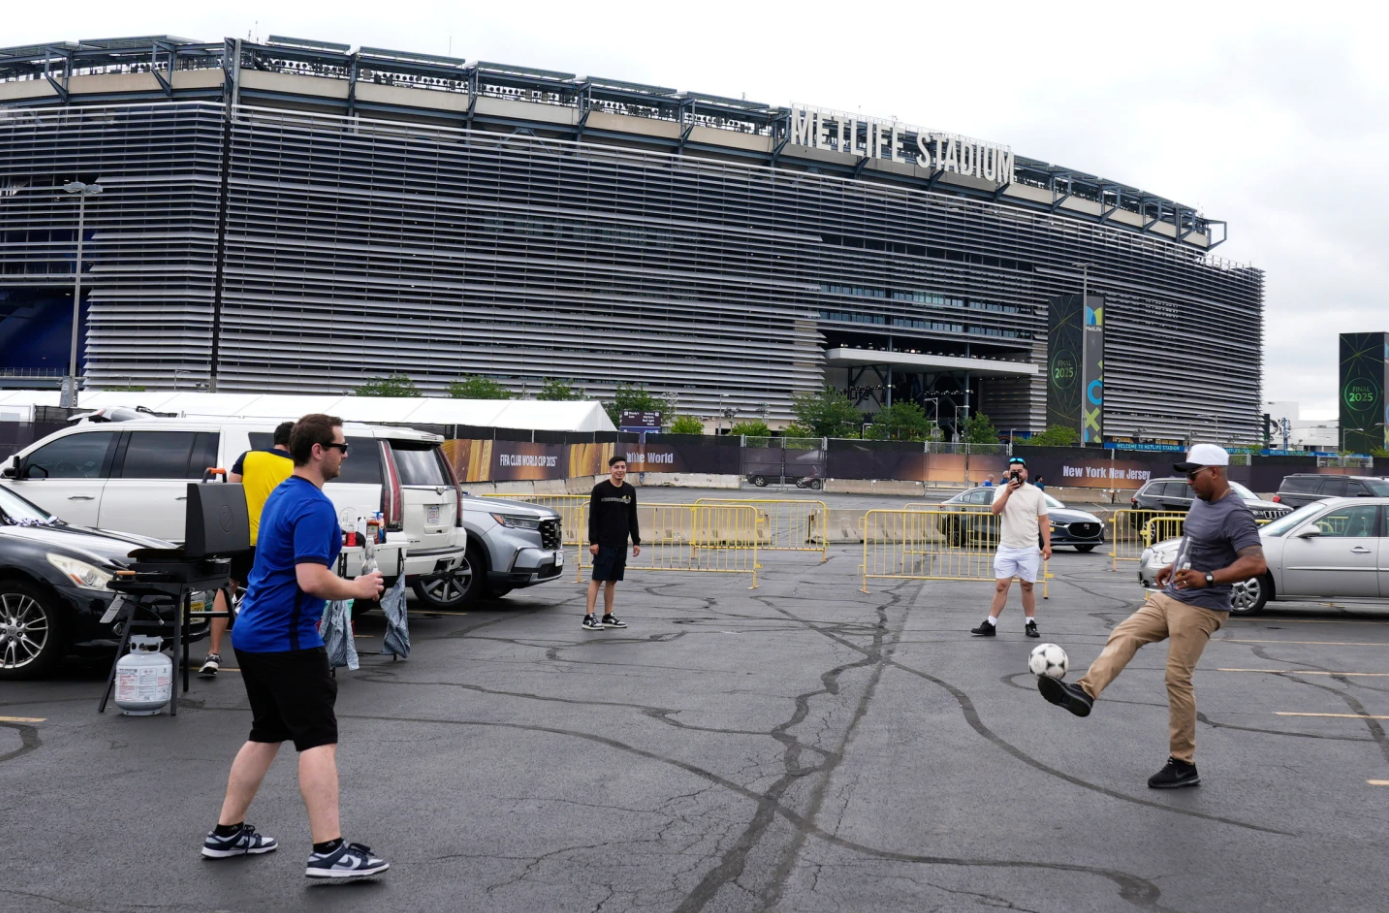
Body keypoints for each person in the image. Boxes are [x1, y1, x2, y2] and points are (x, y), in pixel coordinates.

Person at [203, 414, 390, 879]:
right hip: (285, 640)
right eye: (341, 447)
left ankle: (227, 833)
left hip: (253, 634)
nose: (346, 454)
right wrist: (360, 587)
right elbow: (311, 580)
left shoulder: (283, 494)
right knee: (318, 741)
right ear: (317, 451)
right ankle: (328, 851)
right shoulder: (312, 506)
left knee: (266, 733)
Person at [1037, 444, 1266, 789]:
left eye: (1193, 474)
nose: (1188, 481)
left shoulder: (1235, 512)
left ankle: (1183, 764)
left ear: (1215, 472)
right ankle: (1085, 692)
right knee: (1126, 633)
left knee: (1177, 678)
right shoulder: (1201, 504)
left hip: (1203, 605)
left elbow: (1255, 563)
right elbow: (1198, 546)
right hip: (1172, 594)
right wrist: (1176, 566)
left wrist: (1207, 578)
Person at [200, 421, 295, 677]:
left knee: (227, 586)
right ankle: (264, 655)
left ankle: (213, 653)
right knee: (269, 592)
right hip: (274, 541)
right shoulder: (297, 466)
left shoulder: (248, 457)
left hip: (242, 538)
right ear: (294, 441)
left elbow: (229, 493)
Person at [971, 456, 1050, 639]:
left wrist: (1047, 544)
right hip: (1007, 547)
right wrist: (1008, 492)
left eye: (1020, 471)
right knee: (1001, 585)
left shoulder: (1035, 492)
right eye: (1013, 471)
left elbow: (1044, 520)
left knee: (1027, 586)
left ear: (1026, 473)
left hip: (1029, 547)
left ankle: (1030, 622)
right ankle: (991, 623)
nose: (1017, 474)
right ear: (1008, 473)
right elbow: (995, 510)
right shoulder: (1001, 490)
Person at [584, 455, 641, 630]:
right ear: (610, 469)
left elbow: (632, 517)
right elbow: (593, 517)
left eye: (623, 467)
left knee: (612, 580)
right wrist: (593, 541)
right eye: (616, 467)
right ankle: (589, 616)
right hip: (603, 543)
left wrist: (636, 540)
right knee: (598, 578)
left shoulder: (630, 490)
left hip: (620, 543)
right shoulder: (600, 489)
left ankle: (608, 615)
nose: (620, 470)